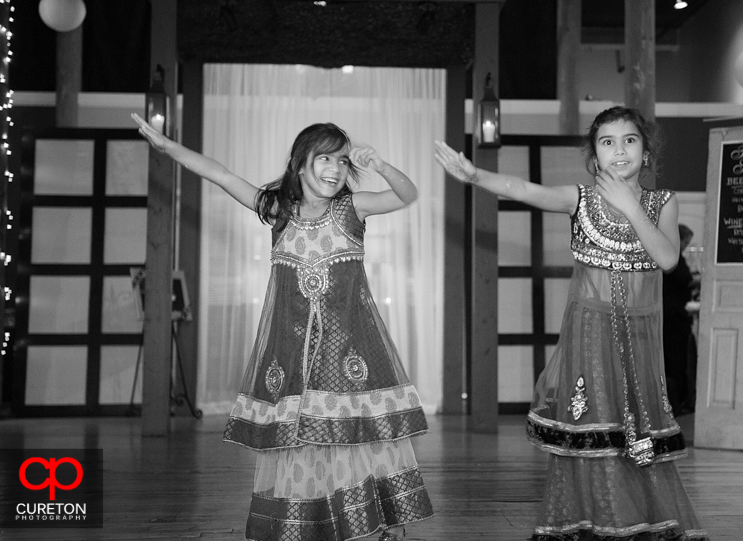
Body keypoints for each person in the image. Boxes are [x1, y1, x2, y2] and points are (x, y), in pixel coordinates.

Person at [132, 114, 433, 541]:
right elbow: (219, 174)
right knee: (301, 442)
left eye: (343, 162)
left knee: (354, 440)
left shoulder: (352, 209)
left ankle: (368, 524)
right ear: (300, 163)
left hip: (348, 352)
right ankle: (310, 522)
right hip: (291, 353)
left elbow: (407, 194)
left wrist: (381, 166)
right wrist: (168, 147)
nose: (334, 169)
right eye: (324, 158)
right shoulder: (278, 211)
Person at [435, 106, 707, 541]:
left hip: (639, 336)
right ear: (594, 156)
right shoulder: (579, 199)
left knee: (634, 426)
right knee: (593, 422)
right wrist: (473, 176)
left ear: (646, 151)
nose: (619, 151)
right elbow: (521, 188)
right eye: (607, 142)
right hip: (590, 333)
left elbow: (668, 258)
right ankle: (592, 518)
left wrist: (631, 207)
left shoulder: (663, 202)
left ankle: (642, 518)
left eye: (629, 140)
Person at [662, 223, 697, 415]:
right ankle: (676, 403)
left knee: (671, 359)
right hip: (674, 316)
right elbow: (684, 281)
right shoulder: (674, 258)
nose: (686, 246)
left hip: (668, 314)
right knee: (676, 361)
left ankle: (674, 402)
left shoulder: (665, 255)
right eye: (685, 241)